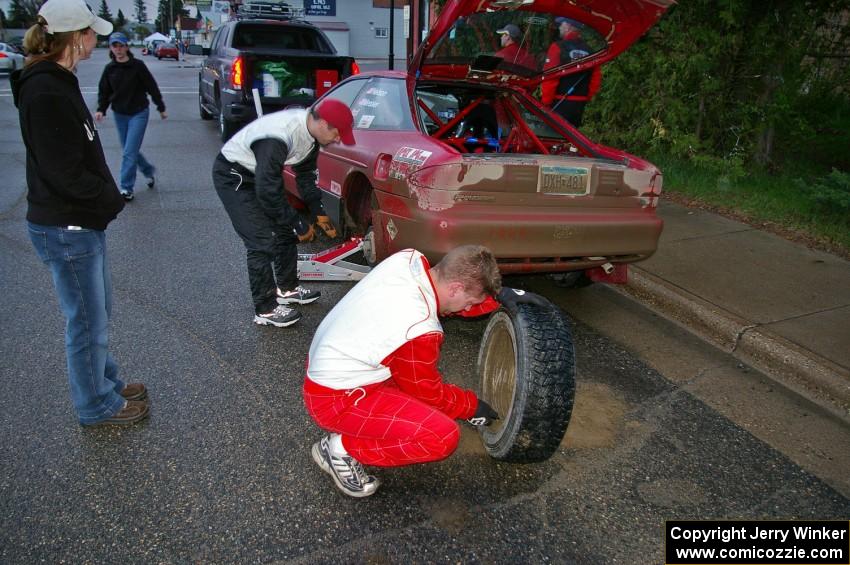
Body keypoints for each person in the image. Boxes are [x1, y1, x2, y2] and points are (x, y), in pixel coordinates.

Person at [303, 245, 549, 497]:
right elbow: (427, 392)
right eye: (470, 302)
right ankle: (339, 450)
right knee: (442, 437)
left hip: (335, 367)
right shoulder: (420, 327)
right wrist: (471, 407)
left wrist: (498, 296)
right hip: (335, 400)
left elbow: (453, 296)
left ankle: (349, 437)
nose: (466, 309)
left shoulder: (408, 260)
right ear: (455, 288)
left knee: (423, 404)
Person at [11, 0, 149, 426]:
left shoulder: (59, 80)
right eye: (92, 31)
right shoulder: (45, 90)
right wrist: (107, 200)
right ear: (76, 37)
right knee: (86, 322)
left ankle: (104, 383)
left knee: (97, 314)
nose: (98, 38)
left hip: (78, 223)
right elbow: (63, 170)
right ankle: (95, 404)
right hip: (67, 226)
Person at [212, 99, 354, 328]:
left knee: (285, 231)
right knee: (261, 241)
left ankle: (287, 289)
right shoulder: (277, 136)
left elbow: (305, 176)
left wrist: (319, 214)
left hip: (261, 176)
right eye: (338, 134)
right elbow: (268, 192)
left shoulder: (311, 136)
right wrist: (298, 222)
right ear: (324, 124)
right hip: (235, 176)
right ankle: (265, 309)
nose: (338, 139)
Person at [95, 31, 166, 201]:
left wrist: (160, 106)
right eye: (115, 46)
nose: (118, 49)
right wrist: (101, 109)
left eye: (121, 45)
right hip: (120, 113)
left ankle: (126, 188)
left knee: (129, 151)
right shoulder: (110, 69)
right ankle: (148, 171)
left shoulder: (138, 66)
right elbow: (104, 91)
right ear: (111, 48)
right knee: (130, 150)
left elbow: (151, 86)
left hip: (139, 112)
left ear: (127, 46)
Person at [541, 17, 602, 128]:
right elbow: (595, 80)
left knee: (551, 138)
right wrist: (585, 98)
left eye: (561, 24)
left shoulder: (557, 47)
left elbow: (550, 77)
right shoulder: (591, 51)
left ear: (568, 26)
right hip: (579, 106)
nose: (559, 27)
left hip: (559, 103)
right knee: (569, 140)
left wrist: (545, 103)